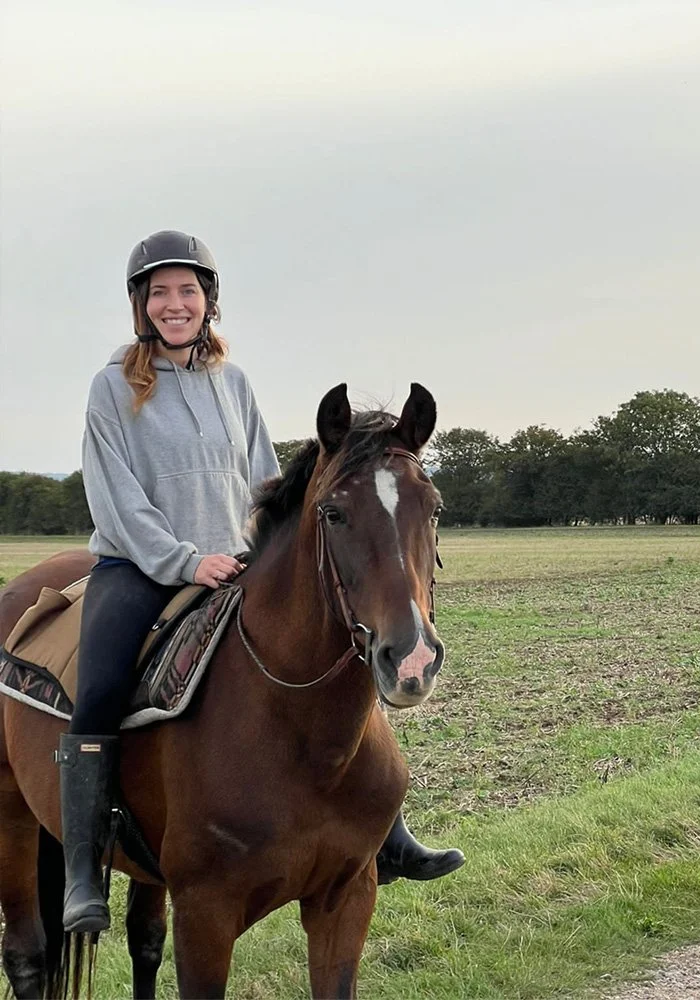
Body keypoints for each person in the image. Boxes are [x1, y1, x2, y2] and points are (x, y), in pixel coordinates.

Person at [60, 230, 462, 935]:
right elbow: (116, 496)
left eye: (188, 291)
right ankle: (81, 872)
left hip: (233, 564)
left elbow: (260, 482)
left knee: (341, 647)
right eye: (160, 292)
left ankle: (385, 830)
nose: (175, 304)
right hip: (140, 567)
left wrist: (257, 551)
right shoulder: (111, 386)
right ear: (141, 305)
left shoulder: (233, 382)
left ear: (208, 302)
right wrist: (186, 561)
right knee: (95, 690)